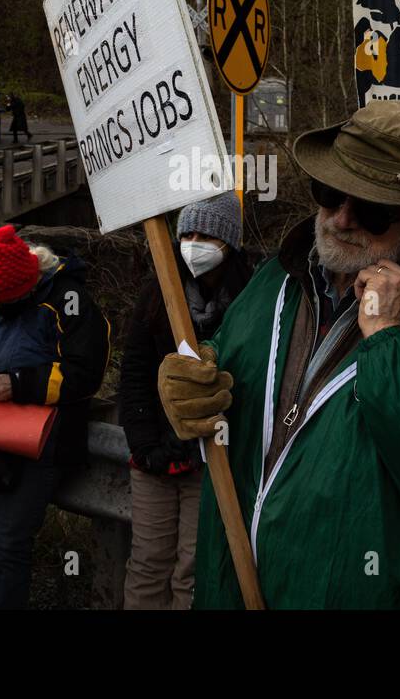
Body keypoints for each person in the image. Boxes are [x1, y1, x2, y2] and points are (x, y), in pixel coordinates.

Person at [159, 100, 400, 608]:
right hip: (230, 589)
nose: (342, 219)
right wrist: (187, 381)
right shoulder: (276, 282)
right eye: (330, 194)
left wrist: (387, 339)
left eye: (373, 209)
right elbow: (218, 364)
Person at [0, 224, 109, 608]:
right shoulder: (0, 299)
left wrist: (21, 384)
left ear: (29, 279)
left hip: (43, 442)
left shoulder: (69, 299)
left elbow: (86, 372)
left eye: (7, 299)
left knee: (6, 543)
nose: (0, 307)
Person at [119, 192, 252, 609]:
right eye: (187, 233)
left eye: (206, 235)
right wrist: (146, 444)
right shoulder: (159, 293)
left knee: (193, 570)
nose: (193, 244)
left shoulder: (249, 304)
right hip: (153, 457)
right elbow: (135, 373)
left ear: (228, 242)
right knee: (147, 563)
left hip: (212, 460)